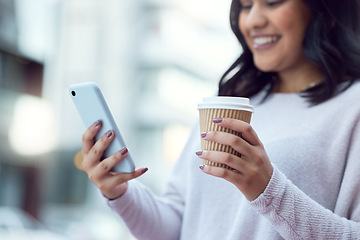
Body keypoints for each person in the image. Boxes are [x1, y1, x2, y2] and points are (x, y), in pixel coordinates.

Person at [80, 0, 360, 239]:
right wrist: (120, 192)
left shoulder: (352, 108)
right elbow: (178, 226)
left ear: (324, 10)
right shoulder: (229, 99)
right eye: (246, 6)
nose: (252, 21)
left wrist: (268, 190)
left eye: (272, 3)